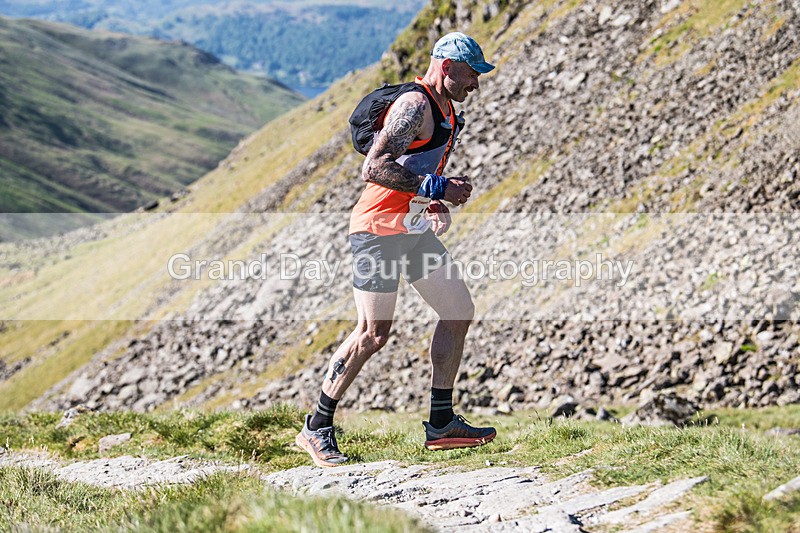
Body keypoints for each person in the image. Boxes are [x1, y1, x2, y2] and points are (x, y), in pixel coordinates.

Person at [296, 32, 497, 467]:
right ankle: (316, 428)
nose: (476, 84)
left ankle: (441, 422)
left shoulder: (446, 110)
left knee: (458, 309)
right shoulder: (415, 105)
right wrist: (438, 186)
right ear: (446, 67)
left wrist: (435, 201)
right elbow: (375, 167)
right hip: (377, 231)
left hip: (411, 230)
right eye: (471, 74)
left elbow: (416, 169)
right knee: (373, 334)